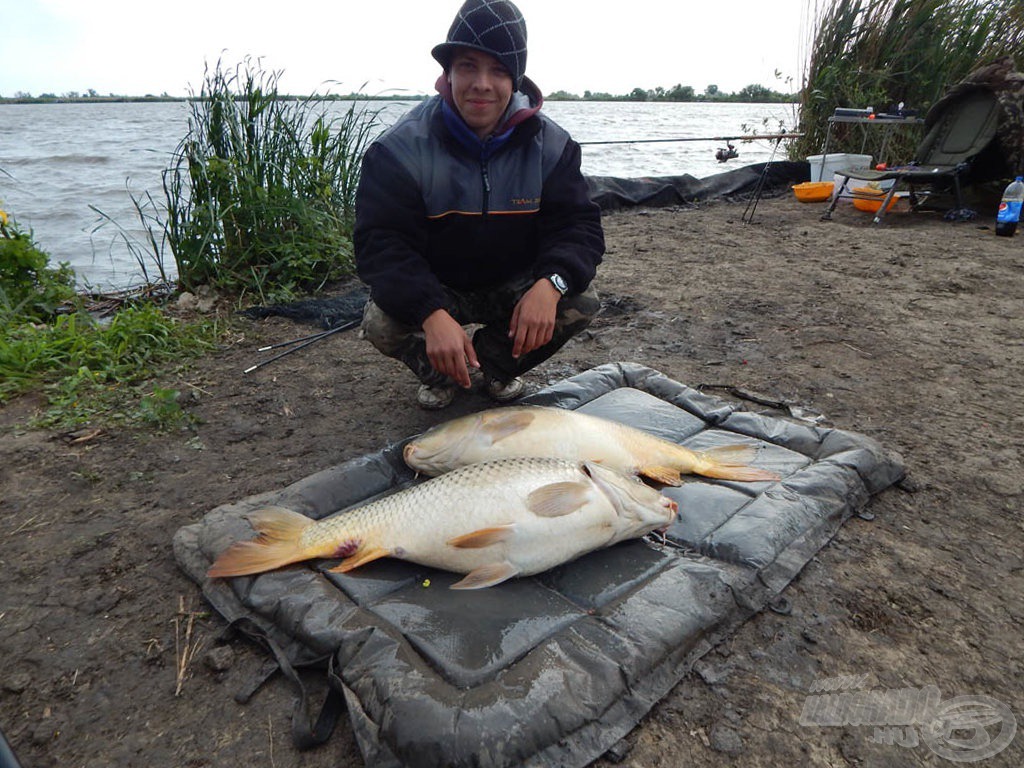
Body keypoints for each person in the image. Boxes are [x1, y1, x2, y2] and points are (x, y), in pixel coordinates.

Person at [354, 0, 604, 410]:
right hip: (440, 285)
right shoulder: (397, 150)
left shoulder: (554, 147)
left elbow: (579, 228)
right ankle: (444, 375)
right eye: (468, 66)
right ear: (446, 74)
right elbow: (381, 245)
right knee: (381, 321)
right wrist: (430, 311)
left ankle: (493, 369)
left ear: (517, 79)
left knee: (580, 299)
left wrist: (550, 284)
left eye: (499, 70)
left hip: (512, 283)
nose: (482, 84)